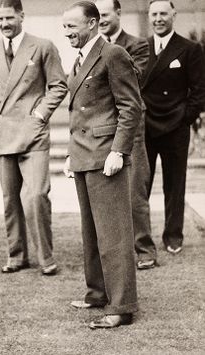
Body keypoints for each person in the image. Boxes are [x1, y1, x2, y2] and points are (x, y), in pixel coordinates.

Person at [62, 1, 141, 329]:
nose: (67, 33)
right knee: (92, 231)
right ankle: (98, 292)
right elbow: (79, 112)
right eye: (64, 27)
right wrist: (71, 153)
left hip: (105, 157)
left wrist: (118, 151)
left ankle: (121, 305)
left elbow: (131, 106)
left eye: (72, 27)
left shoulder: (113, 54)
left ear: (93, 23)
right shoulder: (80, 58)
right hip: (83, 156)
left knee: (114, 234)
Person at [0, 0, 67, 275]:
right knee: (10, 199)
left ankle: (46, 258)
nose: (5, 24)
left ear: (21, 16)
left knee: (37, 195)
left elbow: (58, 85)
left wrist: (39, 114)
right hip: (3, 133)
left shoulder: (42, 46)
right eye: (0, 19)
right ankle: (16, 256)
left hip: (33, 134)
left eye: (9, 18)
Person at [95, 0, 156, 270]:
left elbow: (135, 79)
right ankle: (113, 249)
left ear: (119, 13)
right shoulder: (91, 47)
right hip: (101, 125)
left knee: (135, 188)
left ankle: (144, 249)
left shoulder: (138, 44)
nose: (102, 20)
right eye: (97, 16)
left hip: (130, 126)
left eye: (106, 14)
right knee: (105, 190)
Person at [141, 0, 205, 255]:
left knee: (175, 184)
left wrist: (184, 118)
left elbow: (200, 91)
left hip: (175, 126)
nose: (158, 19)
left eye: (163, 14)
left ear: (174, 15)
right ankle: (141, 237)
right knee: (141, 184)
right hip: (145, 125)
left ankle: (173, 235)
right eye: (154, 14)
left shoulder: (190, 48)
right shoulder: (140, 48)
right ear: (148, 17)